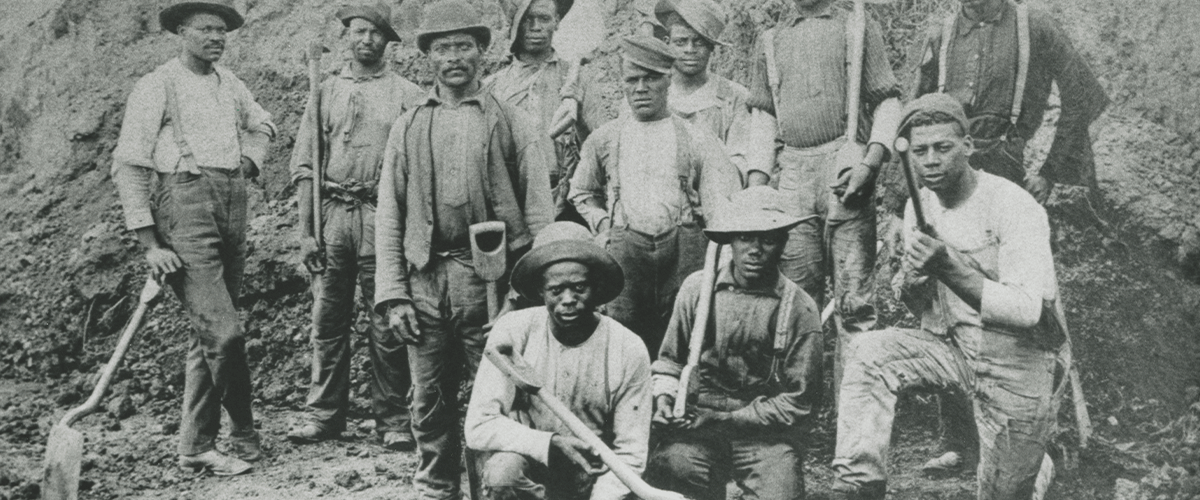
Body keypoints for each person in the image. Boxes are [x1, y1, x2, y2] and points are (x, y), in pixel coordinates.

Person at [829, 93, 1067, 500]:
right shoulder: (918, 208)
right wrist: (913, 280)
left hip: (1019, 363)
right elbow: (921, 305)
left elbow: (1026, 310)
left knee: (1005, 491)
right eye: (920, 151)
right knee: (869, 352)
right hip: (955, 351)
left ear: (968, 146)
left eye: (943, 147)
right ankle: (857, 484)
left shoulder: (1013, 205)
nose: (931, 161)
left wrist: (948, 266)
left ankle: (1035, 465)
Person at [373, 1, 555, 497]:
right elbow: (389, 214)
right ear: (427, 56)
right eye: (442, 48)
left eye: (463, 46)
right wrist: (393, 294)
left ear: (482, 52)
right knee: (428, 395)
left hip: (491, 284)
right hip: (425, 279)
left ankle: (495, 488)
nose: (453, 57)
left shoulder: (511, 121)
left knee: (496, 395)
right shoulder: (409, 125)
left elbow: (539, 214)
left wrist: (524, 294)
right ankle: (436, 485)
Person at [110, 0, 274, 476]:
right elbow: (130, 165)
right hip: (184, 209)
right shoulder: (157, 84)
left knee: (210, 333)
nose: (216, 38)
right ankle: (236, 431)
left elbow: (263, 124)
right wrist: (151, 244)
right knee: (225, 334)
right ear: (181, 32)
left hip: (232, 205)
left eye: (221, 30)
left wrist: (250, 161)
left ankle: (202, 443)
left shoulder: (231, 83)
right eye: (205, 29)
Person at [286, 2, 424, 450]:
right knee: (327, 320)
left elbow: (417, 172)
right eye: (358, 31)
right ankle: (324, 414)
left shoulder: (406, 94)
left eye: (375, 33)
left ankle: (393, 420)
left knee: (386, 322)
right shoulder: (324, 90)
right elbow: (305, 166)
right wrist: (307, 232)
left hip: (380, 216)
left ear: (388, 41)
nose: (366, 40)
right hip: (332, 216)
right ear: (346, 36)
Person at [744, 0, 903, 385]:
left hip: (846, 170)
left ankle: (856, 404)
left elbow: (887, 101)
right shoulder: (772, 40)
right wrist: (756, 190)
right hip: (793, 178)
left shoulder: (856, 26)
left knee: (855, 302)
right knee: (796, 299)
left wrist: (869, 163)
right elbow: (763, 119)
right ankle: (800, 402)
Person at [644, 186, 824, 500]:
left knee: (780, 492)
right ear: (731, 241)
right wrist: (665, 400)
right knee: (670, 470)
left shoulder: (800, 308)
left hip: (764, 434)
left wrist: (730, 419)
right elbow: (670, 362)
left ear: (783, 242)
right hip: (697, 427)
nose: (755, 250)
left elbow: (799, 401)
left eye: (768, 239)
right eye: (745, 237)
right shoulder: (697, 289)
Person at [567, 35, 741, 357]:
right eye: (632, 80)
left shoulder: (697, 137)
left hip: (683, 251)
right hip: (627, 255)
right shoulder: (606, 138)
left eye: (651, 79)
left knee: (687, 339)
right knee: (624, 343)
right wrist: (603, 223)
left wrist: (721, 264)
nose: (640, 88)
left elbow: (720, 208)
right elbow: (581, 191)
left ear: (668, 79)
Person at [465, 221, 651, 500]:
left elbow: (630, 452)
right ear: (540, 291)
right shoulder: (513, 333)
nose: (568, 300)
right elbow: (479, 426)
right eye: (556, 290)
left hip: (595, 474)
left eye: (579, 288)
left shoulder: (628, 348)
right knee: (503, 474)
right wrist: (550, 444)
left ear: (597, 288)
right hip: (530, 465)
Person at [911, 0, 1109, 205]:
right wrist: (902, 203)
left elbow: (1082, 97)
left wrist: (1049, 172)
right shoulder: (941, 35)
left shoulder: (1034, 26)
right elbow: (914, 120)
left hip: (1012, 175)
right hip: (950, 181)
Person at [486, 0, 603, 223]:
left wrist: (578, 117)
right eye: (527, 20)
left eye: (544, 18)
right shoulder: (493, 87)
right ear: (515, 25)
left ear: (557, 22)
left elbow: (600, 147)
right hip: (512, 202)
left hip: (567, 202)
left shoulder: (577, 78)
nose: (536, 27)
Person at [654, 0, 752, 174]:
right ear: (667, 43)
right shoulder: (651, 92)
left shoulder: (734, 96)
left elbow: (740, 160)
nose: (690, 49)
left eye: (699, 42)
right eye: (681, 42)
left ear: (711, 47)